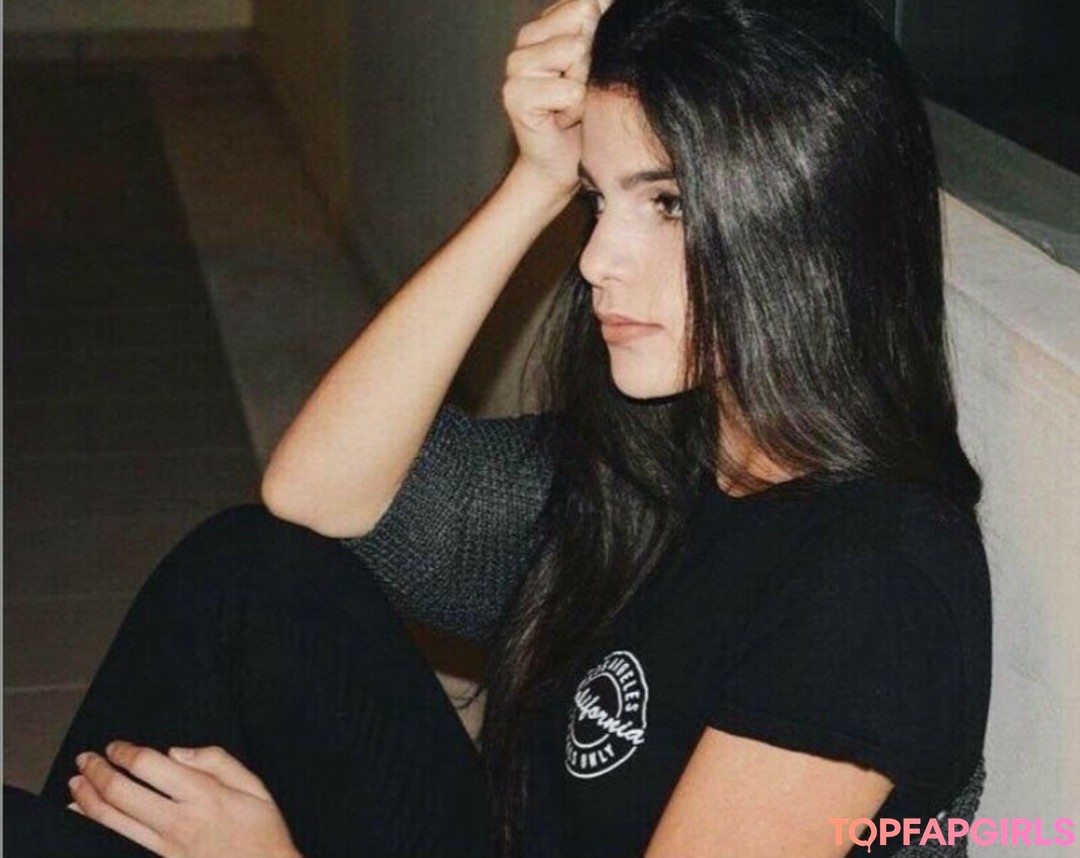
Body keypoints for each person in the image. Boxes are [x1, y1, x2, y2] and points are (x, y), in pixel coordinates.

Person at [3, 0, 992, 855]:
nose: (596, 259)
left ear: (809, 220)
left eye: (669, 203)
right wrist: (535, 183)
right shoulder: (678, 451)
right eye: (599, 199)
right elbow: (315, 494)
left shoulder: (871, 592)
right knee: (245, 573)